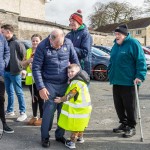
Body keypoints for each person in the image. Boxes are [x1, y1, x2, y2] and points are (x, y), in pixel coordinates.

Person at [32, 29, 79, 148]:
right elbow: (36, 68)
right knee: (48, 112)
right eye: (58, 44)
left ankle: (59, 135)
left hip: (65, 84)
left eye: (62, 43)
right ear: (51, 39)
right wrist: (41, 87)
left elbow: (75, 62)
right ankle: (45, 137)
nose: (61, 46)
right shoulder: (42, 46)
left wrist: (75, 78)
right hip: (49, 84)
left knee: (62, 112)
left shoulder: (67, 43)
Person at [108, 24, 147, 138]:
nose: (116, 36)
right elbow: (112, 60)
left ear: (125, 35)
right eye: (115, 34)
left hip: (129, 82)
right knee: (119, 105)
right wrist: (109, 71)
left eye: (118, 34)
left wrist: (140, 75)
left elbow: (141, 60)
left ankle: (131, 126)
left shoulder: (133, 43)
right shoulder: (115, 45)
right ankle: (124, 124)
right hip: (116, 80)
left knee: (130, 106)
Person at [54, 64, 92, 149]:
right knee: (81, 124)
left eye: (72, 72)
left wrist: (60, 99)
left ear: (78, 72)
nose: (70, 73)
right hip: (84, 108)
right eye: (68, 72)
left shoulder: (76, 83)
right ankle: (80, 138)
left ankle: (72, 142)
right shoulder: (81, 81)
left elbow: (71, 94)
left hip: (79, 109)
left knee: (75, 125)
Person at [1, 24, 27, 122]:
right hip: (6, 72)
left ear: (8, 32)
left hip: (15, 72)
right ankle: (10, 110)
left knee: (19, 92)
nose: (1, 34)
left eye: (3, 32)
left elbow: (23, 56)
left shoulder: (17, 43)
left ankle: (23, 112)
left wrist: (21, 68)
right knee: (9, 92)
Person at [21, 34, 43, 126]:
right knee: (33, 98)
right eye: (33, 41)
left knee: (41, 98)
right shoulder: (28, 51)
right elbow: (23, 64)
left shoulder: (42, 51)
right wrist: (28, 61)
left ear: (40, 42)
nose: (35, 42)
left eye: (37, 41)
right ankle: (34, 116)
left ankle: (42, 118)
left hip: (39, 79)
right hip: (30, 79)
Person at [66, 9, 93, 76]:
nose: (71, 23)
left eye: (73, 21)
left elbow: (85, 52)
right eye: (70, 21)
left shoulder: (85, 34)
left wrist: (71, 48)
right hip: (71, 68)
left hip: (82, 67)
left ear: (79, 22)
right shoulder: (69, 35)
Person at [0, 23, 14, 133]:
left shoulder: (2, 38)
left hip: (1, 73)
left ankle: (3, 124)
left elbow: (7, 52)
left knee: (1, 99)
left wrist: (4, 63)